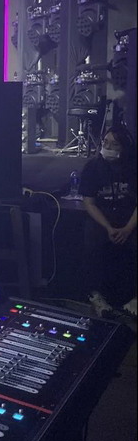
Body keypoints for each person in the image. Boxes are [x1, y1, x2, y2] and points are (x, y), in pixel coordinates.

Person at [78, 125, 137, 317]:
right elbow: (89, 202)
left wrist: (128, 228)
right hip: (103, 219)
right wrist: (108, 227)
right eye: (105, 142)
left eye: (114, 144)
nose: (108, 147)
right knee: (91, 240)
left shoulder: (133, 168)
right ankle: (95, 295)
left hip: (130, 217)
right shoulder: (92, 168)